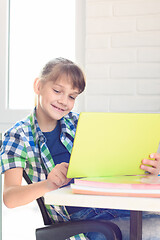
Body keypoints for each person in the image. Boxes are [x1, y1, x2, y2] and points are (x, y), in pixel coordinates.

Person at [1, 57, 160, 240]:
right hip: (80, 222)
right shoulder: (18, 135)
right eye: (57, 91)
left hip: (115, 207)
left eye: (72, 96)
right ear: (38, 86)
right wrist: (48, 184)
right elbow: (10, 197)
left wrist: (146, 171)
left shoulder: (80, 124)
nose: (64, 101)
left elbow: (109, 167)